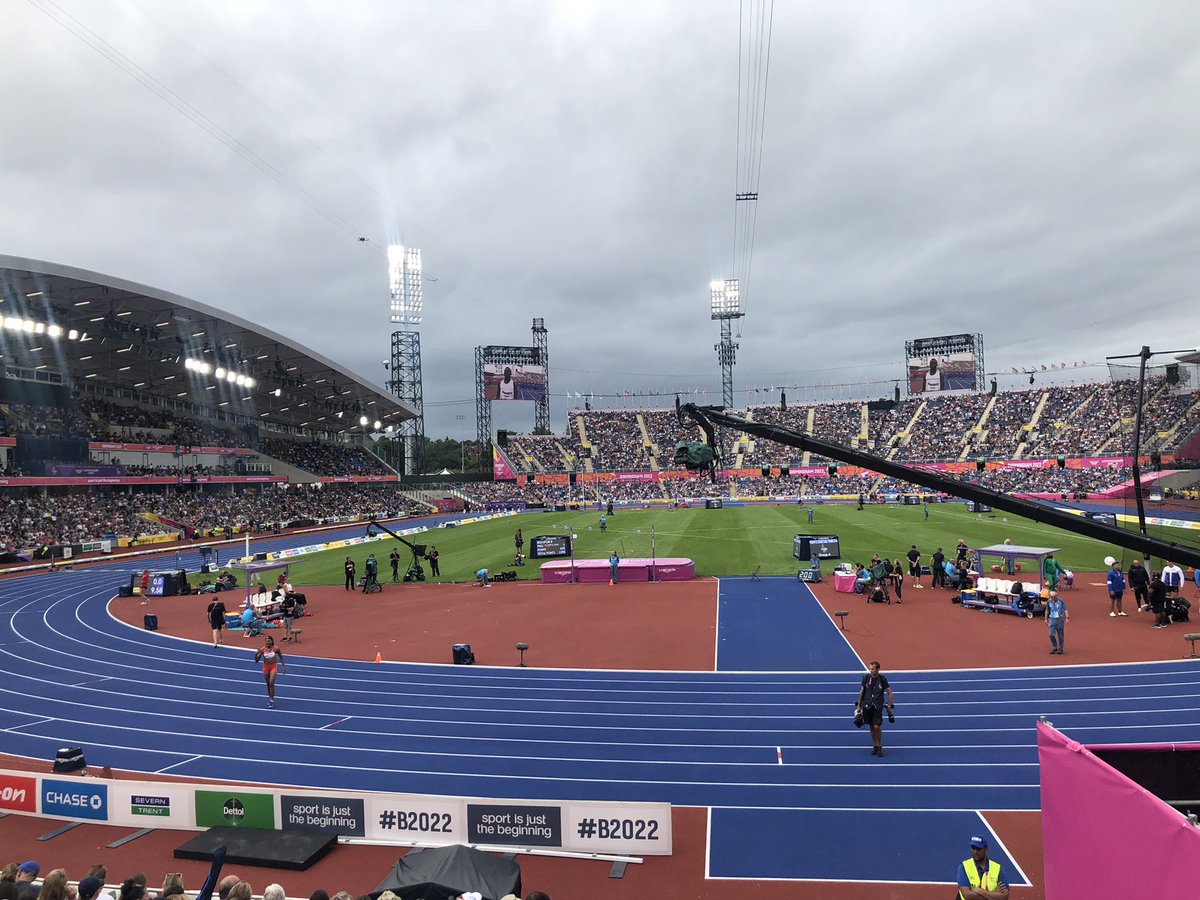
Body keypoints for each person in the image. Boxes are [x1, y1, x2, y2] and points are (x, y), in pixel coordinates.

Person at [854, 660, 894, 757]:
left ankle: (879, 746)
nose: (871, 670)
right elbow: (861, 692)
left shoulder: (882, 679)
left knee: (877, 726)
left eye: (872, 669)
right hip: (867, 706)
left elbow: (890, 693)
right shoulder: (866, 678)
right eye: (870, 668)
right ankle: (875, 745)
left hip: (877, 706)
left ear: (878, 669)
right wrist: (859, 706)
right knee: (871, 727)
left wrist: (889, 705)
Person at [956, 834, 1008, 899]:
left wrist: (980, 891)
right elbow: (967, 895)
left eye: (978, 849)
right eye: (973, 848)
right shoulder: (964, 866)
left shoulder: (998, 869)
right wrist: (993, 895)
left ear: (986, 850)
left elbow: (1004, 897)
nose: (975, 852)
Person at [254, 635, 285, 708]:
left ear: (272, 641)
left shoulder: (276, 649)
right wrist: (256, 654)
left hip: (273, 667)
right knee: (268, 684)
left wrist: (283, 667)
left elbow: (281, 657)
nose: (267, 642)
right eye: (266, 641)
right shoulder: (262, 650)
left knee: (271, 683)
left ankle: (272, 700)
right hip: (266, 667)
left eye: (269, 641)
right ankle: (270, 698)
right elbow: (256, 661)